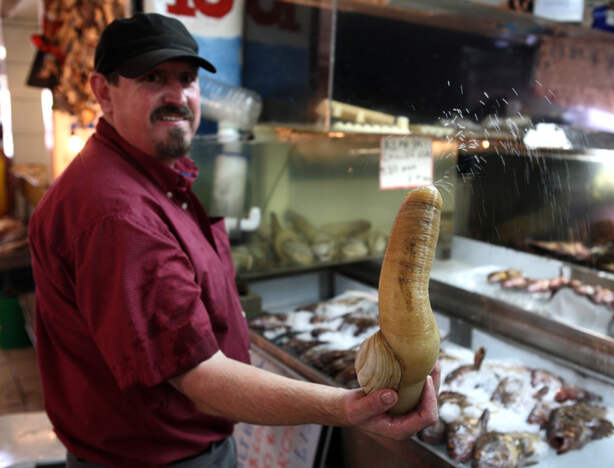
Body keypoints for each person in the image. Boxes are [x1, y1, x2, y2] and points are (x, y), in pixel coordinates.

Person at [28, 12, 440, 468]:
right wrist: (345, 407)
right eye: (151, 78)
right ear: (103, 91)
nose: (177, 95)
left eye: (187, 79)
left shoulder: (153, 178)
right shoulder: (118, 213)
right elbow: (200, 378)